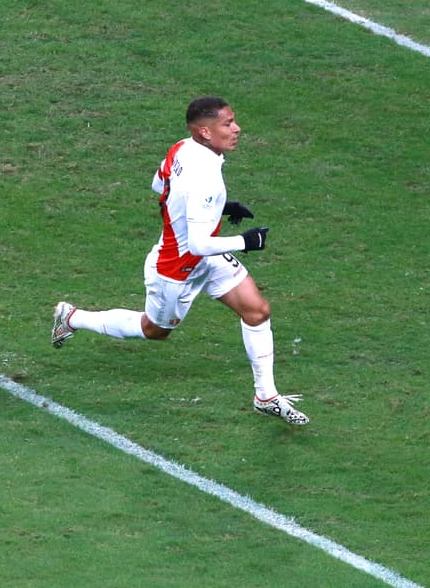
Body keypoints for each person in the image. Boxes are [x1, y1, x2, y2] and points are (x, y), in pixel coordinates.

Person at [51, 96, 309, 425]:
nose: (237, 129)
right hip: (176, 268)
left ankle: (266, 396)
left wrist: (220, 207)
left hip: (207, 260)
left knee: (257, 310)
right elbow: (199, 243)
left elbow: (159, 184)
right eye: (228, 124)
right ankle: (72, 317)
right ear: (205, 132)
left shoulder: (182, 148)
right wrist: (247, 241)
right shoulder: (204, 177)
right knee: (154, 330)